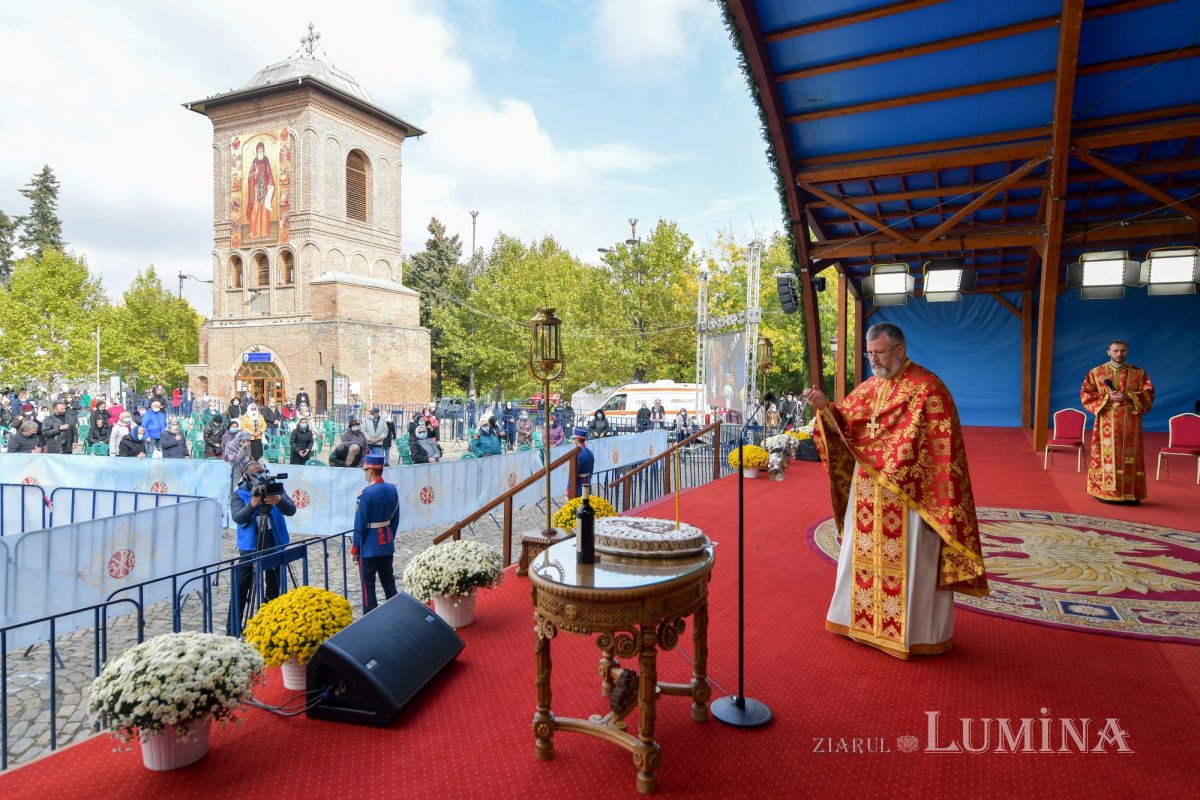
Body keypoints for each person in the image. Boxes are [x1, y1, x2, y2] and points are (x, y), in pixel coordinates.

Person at [804, 322, 988, 660]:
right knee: (862, 558)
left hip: (910, 497)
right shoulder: (868, 388)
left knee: (909, 564)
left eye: (879, 352)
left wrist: (898, 468)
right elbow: (847, 423)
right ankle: (858, 622)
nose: (873, 359)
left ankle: (911, 634)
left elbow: (941, 451)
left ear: (900, 350)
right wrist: (824, 407)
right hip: (868, 495)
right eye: (869, 353)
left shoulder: (928, 388)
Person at [1080, 339, 1155, 504]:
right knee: (1106, 456)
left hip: (1131, 423)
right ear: (1109, 352)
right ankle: (1104, 492)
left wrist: (1130, 396)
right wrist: (1107, 397)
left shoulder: (1139, 373)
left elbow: (1148, 394)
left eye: (1122, 351)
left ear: (1126, 352)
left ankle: (1130, 494)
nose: (1119, 354)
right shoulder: (1096, 372)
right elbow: (1086, 394)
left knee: (1130, 457)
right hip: (1106, 422)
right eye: (1115, 351)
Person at [228, 461, 296, 634]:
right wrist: (253, 503)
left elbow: (291, 510)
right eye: (257, 473)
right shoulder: (239, 493)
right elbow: (238, 517)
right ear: (247, 476)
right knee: (241, 587)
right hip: (250, 547)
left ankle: (269, 625)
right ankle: (233, 630)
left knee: (274, 584)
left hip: (274, 542)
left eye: (264, 471)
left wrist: (279, 500)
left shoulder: (274, 488)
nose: (262, 475)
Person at [353, 453, 400, 612]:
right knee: (389, 582)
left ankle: (370, 616)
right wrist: (390, 536)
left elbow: (360, 524)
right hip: (386, 543)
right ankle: (395, 612)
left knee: (368, 587)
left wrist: (356, 547)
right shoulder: (392, 489)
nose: (365, 473)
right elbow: (396, 518)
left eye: (366, 470)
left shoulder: (365, 494)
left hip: (369, 547)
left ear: (371, 471)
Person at [246, 140, 276, 240]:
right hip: (255, 190)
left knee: (264, 210)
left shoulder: (266, 160)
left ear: (263, 150)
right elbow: (249, 176)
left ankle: (264, 232)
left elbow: (270, 173)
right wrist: (255, 173)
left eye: (262, 149)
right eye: (259, 149)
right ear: (256, 150)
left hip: (264, 189)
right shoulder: (254, 162)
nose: (260, 150)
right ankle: (254, 232)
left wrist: (270, 182)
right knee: (255, 209)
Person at [572, 427, 594, 497]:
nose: (574, 440)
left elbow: (574, 472)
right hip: (587, 481)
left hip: (578, 485)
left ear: (577, 439)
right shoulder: (590, 452)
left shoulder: (578, 453)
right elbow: (591, 470)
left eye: (574, 438)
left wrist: (569, 489)